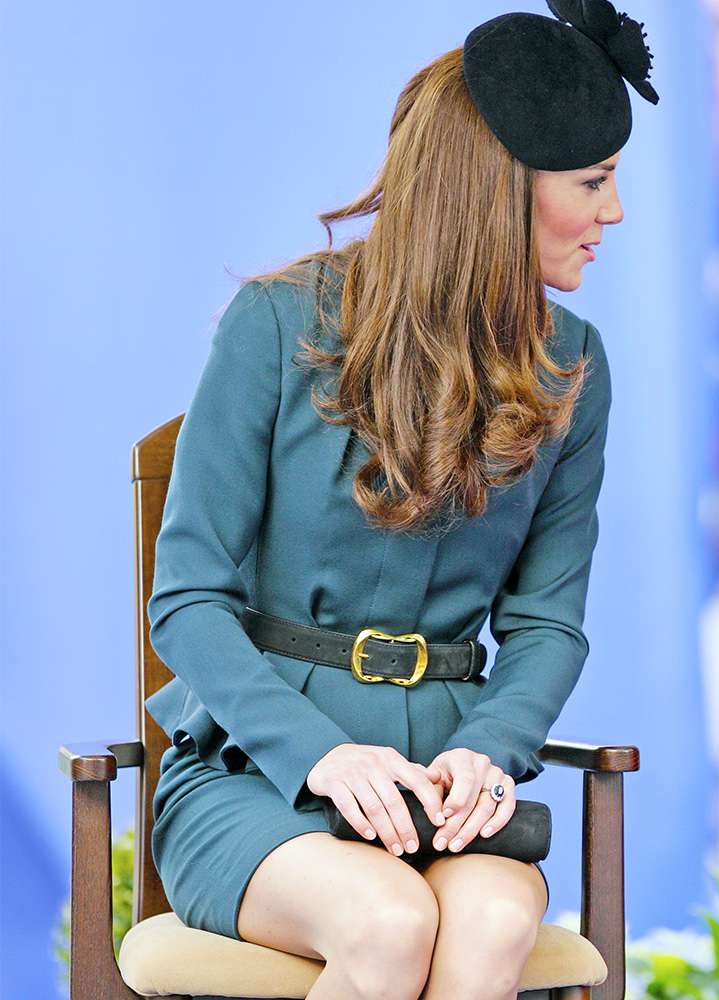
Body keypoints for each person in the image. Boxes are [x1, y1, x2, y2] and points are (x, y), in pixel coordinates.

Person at [143, 4, 656, 998]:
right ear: (497, 185)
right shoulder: (276, 322)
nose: (615, 213)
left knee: (497, 918)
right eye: (593, 181)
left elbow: (548, 621)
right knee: (388, 920)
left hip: (445, 789)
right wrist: (322, 759)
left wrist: (485, 750)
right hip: (259, 773)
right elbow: (188, 601)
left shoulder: (575, 364)